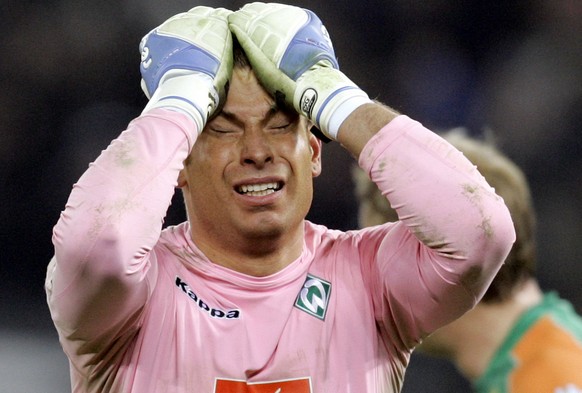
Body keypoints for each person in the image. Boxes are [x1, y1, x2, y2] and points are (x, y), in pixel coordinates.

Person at [45, 4, 515, 392]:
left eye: (278, 125)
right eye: (224, 129)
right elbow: (97, 246)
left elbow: (480, 232)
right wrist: (181, 99)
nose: (257, 152)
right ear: (179, 162)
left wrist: (329, 92)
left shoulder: (371, 281)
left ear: (313, 151)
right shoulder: (132, 296)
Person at [354, 129, 582, 392]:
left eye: (374, 263)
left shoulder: (552, 378)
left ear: (439, 260)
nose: (370, 292)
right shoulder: (539, 359)